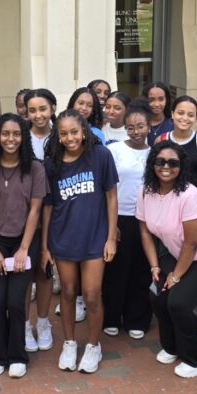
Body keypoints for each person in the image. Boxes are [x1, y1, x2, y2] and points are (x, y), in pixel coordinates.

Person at [138, 140, 197, 378]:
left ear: (181, 167)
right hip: (180, 251)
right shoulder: (146, 191)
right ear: (152, 164)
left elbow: (193, 243)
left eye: (173, 163)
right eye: (160, 161)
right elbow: (145, 231)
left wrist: (175, 276)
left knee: (178, 302)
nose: (165, 166)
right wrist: (155, 266)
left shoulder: (190, 195)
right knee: (157, 294)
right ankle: (172, 346)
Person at [42, 110, 118, 373]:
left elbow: (111, 197)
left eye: (74, 131)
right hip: (63, 237)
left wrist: (111, 237)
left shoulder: (100, 156)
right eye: (63, 133)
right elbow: (48, 207)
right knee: (68, 292)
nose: (70, 138)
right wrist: (44, 246)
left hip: (95, 237)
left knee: (93, 295)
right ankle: (70, 343)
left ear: (84, 131)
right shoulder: (52, 163)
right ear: (58, 135)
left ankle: (94, 346)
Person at [0, 114, 46, 378]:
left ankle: (17, 355)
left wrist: (24, 249)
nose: (11, 139)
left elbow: (35, 211)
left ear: (23, 137)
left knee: (16, 302)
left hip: (24, 241)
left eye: (16, 134)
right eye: (5, 134)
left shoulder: (34, 168)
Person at [103, 106, 153, 340]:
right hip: (118, 216)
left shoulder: (154, 154)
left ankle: (137, 318)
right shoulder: (114, 151)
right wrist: (111, 224)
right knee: (116, 270)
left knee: (140, 269)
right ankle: (112, 317)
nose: (135, 131)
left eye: (140, 126)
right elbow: (107, 188)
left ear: (149, 127)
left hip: (145, 218)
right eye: (130, 127)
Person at [22, 89, 62, 340]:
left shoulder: (62, 136)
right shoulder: (21, 137)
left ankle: (43, 322)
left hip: (55, 212)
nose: (38, 115)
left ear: (53, 108)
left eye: (43, 109)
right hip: (25, 214)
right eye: (33, 110)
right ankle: (25, 325)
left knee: (45, 269)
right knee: (25, 272)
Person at [157, 95, 197, 205]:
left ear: (195, 118)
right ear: (172, 114)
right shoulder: (161, 140)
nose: (185, 118)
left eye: (190, 115)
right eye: (180, 113)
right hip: (172, 205)